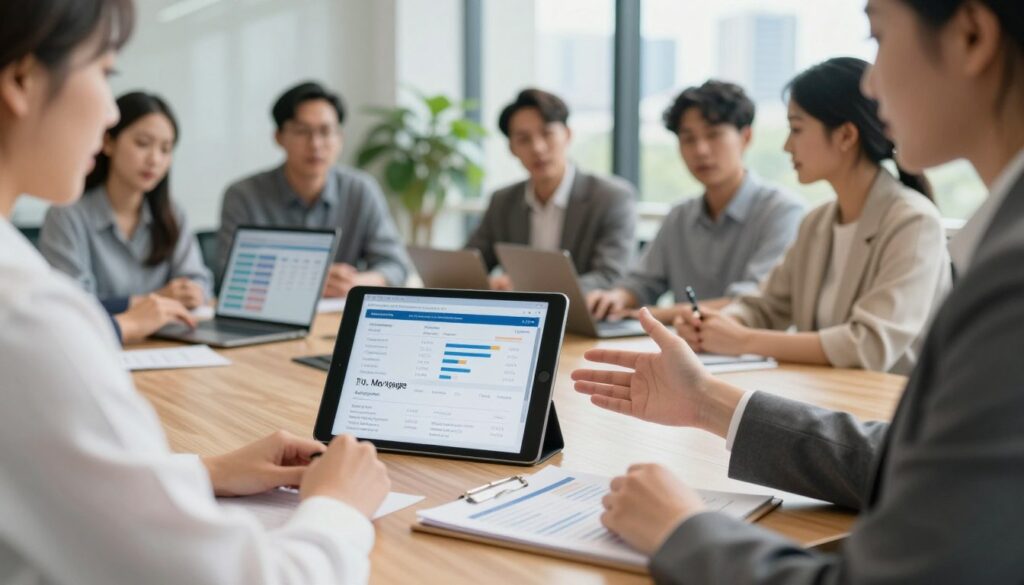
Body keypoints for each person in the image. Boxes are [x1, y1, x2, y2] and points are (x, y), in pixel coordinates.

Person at [572, 0, 1024, 581]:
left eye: (878, 36)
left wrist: (684, 532)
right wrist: (706, 400)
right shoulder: (981, 241)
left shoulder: (1005, 272)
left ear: (971, 35)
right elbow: (910, 459)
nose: (870, 79)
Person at [0, 2, 391, 583]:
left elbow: (61, 477)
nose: (109, 114)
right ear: (22, 80)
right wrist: (337, 506)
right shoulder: (30, 318)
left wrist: (205, 469)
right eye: (105, 73)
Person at [675, 58, 951, 374]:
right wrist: (715, 326)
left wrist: (743, 340)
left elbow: (868, 345)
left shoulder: (913, 222)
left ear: (846, 136)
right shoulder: (817, 222)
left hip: (885, 412)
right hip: (824, 402)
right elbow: (765, 305)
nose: (787, 146)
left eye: (796, 129)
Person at [587, 81, 803, 323]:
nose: (700, 150)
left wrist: (649, 316)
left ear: (746, 137)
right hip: (684, 351)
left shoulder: (782, 211)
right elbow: (643, 283)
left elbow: (752, 301)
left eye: (714, 135)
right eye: (688, 139)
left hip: (757, 354)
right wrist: (617, 298)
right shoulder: (680, 215)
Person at [40, 91, 209, 343]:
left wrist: (193, 292)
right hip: (98, 345)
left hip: (167, 342)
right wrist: (150, 303)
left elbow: (198, 279)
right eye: (142, 143)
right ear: (108, 142)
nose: (155, 159)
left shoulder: (172, 213)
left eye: (165, 149)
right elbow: (71, 302)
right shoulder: (67, 213)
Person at [217, 81, 409, 297]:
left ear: (340, 138)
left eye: (326, 131)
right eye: (302, 131)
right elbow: (229, 275)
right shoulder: (243, 195)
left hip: (337, 318)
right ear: (279, 137)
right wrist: (310, 281)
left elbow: (396, 265)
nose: (315, 144)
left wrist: (356, 283)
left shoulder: (361, 190)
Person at [464, 88, 637, 292]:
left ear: (567, 135)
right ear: (511, 148)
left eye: (547, 133)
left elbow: (611, 277)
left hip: (581, 319)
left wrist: (528, 289)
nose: (537, 148)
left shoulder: (611, 197)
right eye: (523, 139)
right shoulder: (503, 201)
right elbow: (470, 267)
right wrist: (488, 283)